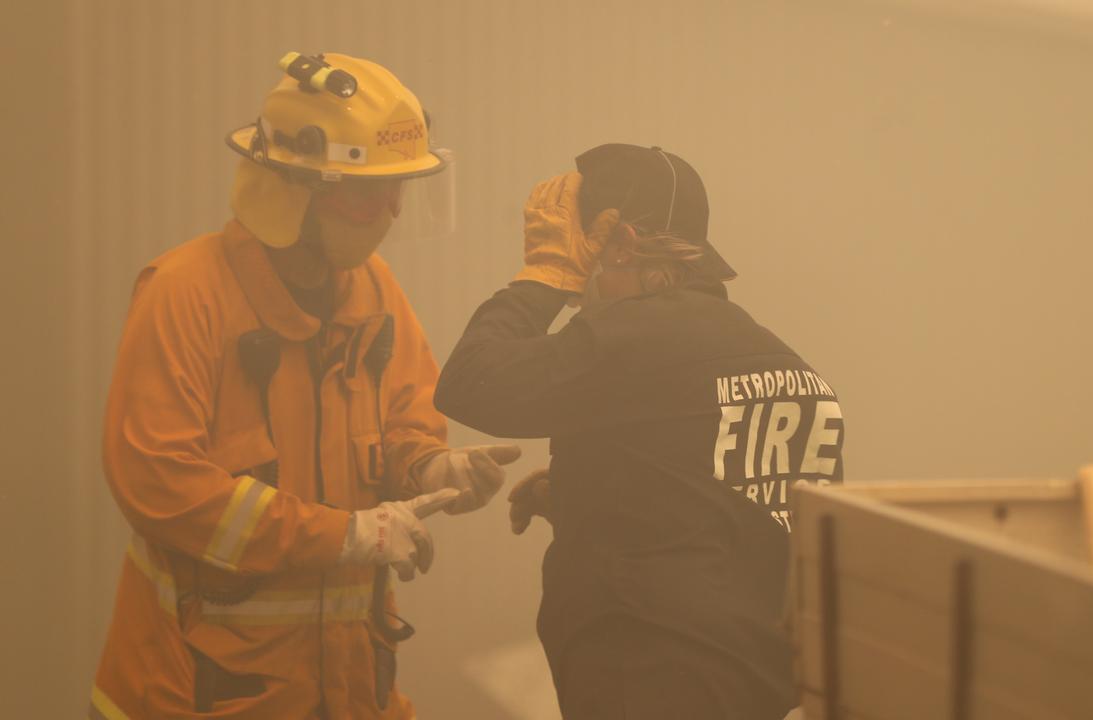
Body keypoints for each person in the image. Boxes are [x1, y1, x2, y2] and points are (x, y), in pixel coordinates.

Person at [88, 52, 520, 719]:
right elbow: (159, 482)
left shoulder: (375, 291)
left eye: (399, 186)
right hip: (195, 694)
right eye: (367, 190)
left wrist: (434, 465)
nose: (393, 211)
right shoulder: (185, 292)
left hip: (347, 692)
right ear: (294, 187)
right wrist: (342, 536)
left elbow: (406, 421)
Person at [435, 144, 845, 720]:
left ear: (621, 245)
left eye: (582, 258)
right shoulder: (784, 364)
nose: (581, 290)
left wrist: (545, 277)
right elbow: (734, 512)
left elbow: (470, 382)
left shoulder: (632, 340)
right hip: (757, 685)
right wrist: (590, 488)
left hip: (653, 681)